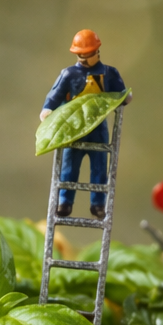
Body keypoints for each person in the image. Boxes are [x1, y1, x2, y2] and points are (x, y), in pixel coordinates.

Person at [40, 30, 128, 219]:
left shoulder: (108, 73)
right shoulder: (69, 74)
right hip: (74, 128)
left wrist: (124, 97)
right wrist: (48, 109)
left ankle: (97, 204)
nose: (83, 59)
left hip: (98, 128)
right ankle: (64, 202)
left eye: (87, 55)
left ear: (97, 52)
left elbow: (120, 93)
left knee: (99, 167)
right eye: (80, 55)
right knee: (69, 166)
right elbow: (55, 94)